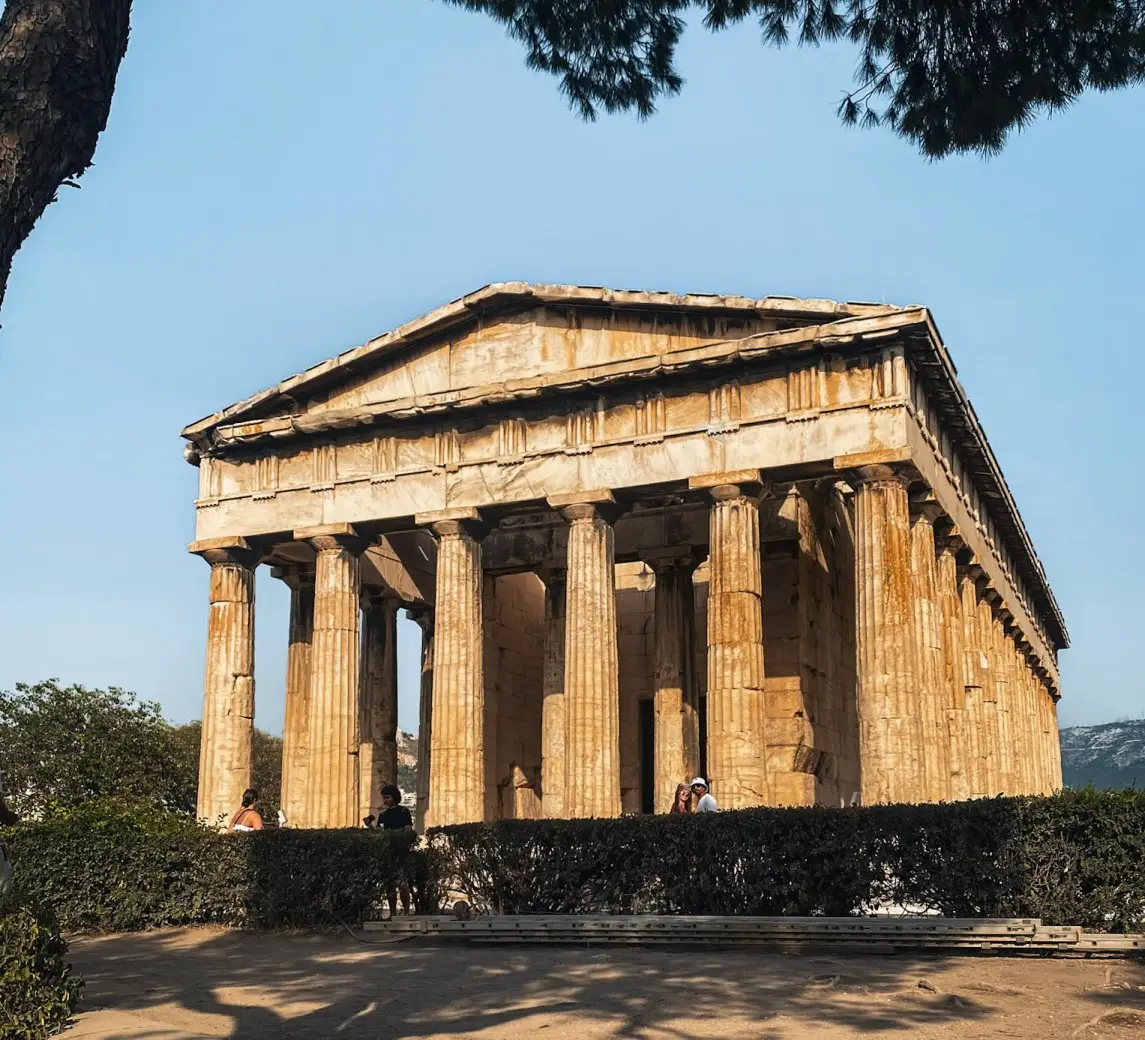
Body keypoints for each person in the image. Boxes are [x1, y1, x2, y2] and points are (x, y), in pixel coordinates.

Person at [378, 784, 413, 916]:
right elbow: (379, 834)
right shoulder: (382, 815)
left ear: (395, 797)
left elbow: (408, 830)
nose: (385, 800)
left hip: (401, 851)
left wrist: (391, 833)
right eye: (384, 798)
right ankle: (392, 913)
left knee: (402, 883)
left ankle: (406, 911)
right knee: (390, 885)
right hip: (387, 853)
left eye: (387, 797)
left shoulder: (404, 812)